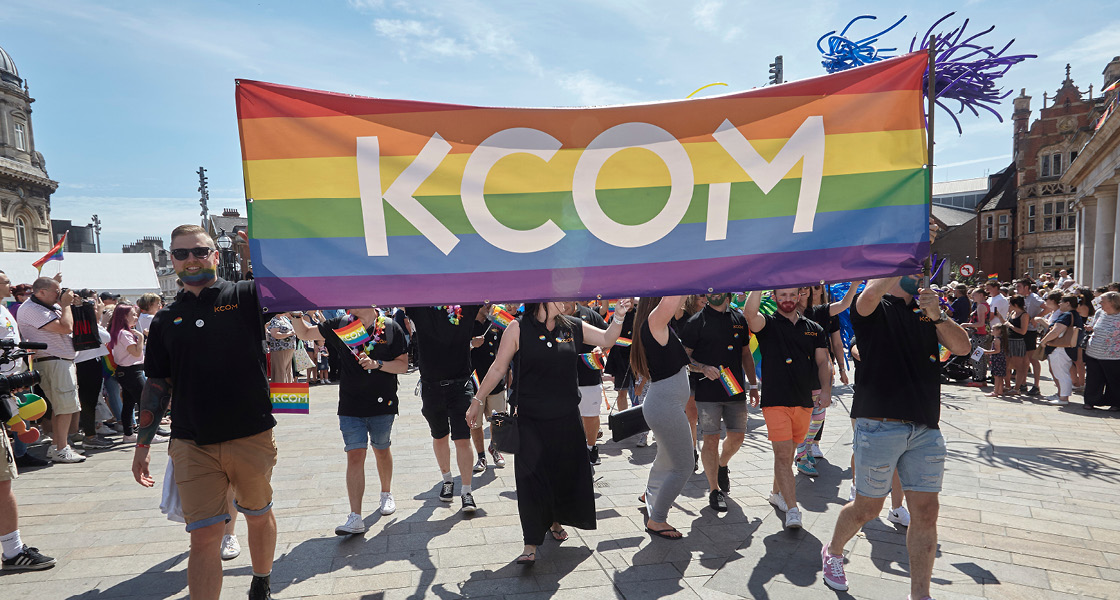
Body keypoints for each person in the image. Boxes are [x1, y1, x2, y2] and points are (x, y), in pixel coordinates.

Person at [131, 224, 277, 600]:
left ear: (215, 254)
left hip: (250, 432)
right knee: (204, 535)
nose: (190, 259)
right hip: (191, 441)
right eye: (181, 253)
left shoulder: (246, 295)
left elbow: (294, 285)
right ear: (172, 261)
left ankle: (261, 579)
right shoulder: (165, 319)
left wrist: (260, 245)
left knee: (257, 515)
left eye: (199, 251)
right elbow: (157, 385)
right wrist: (142, 447)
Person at [821, 274, 970, 596]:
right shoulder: (873, 306)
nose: (916, 274)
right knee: (867, 509)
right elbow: (870, 295)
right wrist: (897, 255)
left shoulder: (926, 310)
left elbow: (962, 346)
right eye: (909, 268)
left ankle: (920, 593)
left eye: (918, 269)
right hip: (879, 424)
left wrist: (939, 315)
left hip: (925, 427)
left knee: (927, 512)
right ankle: (833, 551)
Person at [468, 299, 629, 565]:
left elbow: (608, 338)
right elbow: (498, 367)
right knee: (531, 481)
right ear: (544, 298)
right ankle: (530, 543)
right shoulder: (517, 328)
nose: (569, 300)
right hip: (531, 421)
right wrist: (477, 400)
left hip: (566, 419)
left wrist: (620, 317)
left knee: (562, 474)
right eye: (562, 295)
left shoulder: (573, 326)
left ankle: (555, 521)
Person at [291, 306, 409, 534]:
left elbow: (403, 365)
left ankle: (386, 493)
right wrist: (296, 315)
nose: (346, 302)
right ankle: (355, 516)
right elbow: (305, 334)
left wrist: (378, 364)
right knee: (355, 455)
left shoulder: (390, 327)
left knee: (381, 449)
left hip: (382, 404)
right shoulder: (341, 323)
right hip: (350, 404)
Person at [743, 289, 831, 530]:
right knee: (783, 455)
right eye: (782, 295)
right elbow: (750, 316)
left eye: (792, 294)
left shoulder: (814, 328)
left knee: (789, 452)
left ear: (800, 295)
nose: (788, 299)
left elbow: (823, 362)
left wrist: (826, 390)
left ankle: (775, 493)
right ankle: (793, 509)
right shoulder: (768, 324)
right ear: (774, 297)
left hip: (804, 401)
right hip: (775, 401)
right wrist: (758, 286)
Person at [678, 292, 758, 512]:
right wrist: (703, 367)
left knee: (737, 438)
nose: (714, 295)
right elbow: (685, 357)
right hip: (707, 392)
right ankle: (714, 490)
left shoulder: (739, 319)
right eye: (709, 292)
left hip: (735, 390)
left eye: (719, 291)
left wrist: (753, 385)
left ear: (728, 293)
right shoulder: (695, 322)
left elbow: (745, 354)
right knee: (711, 440)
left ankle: (722, 465)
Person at [405, 304, 486, 513]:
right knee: (439, 435)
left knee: (462, 438)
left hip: (460, 385)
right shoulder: (419, 306)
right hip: (431, 386)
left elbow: (484, 292)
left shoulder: (464, 305)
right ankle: (447, 480)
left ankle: (467, 491)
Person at [630, 295, 691, 540]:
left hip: (665, 404)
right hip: (665, 406)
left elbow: (678, 298)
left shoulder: (655, 324)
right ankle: (658, 519)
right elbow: (673, 298)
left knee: (666, 458)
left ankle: (650, 494)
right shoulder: (654, 322)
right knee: (684, 466)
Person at [17, 276, 84, 464]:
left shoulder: (45, 305)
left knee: (61, 406)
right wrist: (66, 305)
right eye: (56, 291)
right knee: (65, 405)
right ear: (41, 292)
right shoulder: (31, 309)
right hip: (53, 361)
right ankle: (61, 448)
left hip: (59, 360)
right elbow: (65, 327)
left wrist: (69, 304)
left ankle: (58, 445)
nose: (59, 294)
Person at [109, 302, 167, 444]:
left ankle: (129, 434)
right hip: (131, 371)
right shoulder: (124, 333)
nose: (136, 317)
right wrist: (141, 338)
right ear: (124, 317)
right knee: (146, 403)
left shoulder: (121, 333)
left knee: (129, 404)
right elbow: (135, 353)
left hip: (127, 371)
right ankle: (147, 435)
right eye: (133, 315)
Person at [566, 301, 610, 465]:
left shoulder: (590, 315)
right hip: (561, 377)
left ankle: (591, 447)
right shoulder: (554, 316)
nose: (563, 305)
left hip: (588, 375)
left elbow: (609, 337)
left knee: (590, 415)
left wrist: (602, 348)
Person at [468, 310, 508, 471]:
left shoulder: (496, 323)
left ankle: (495, 448)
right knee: (475, 424)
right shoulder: (466, 324)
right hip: (474, 382)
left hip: (496, 382)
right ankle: (481, 456)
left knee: (498, 420)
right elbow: (453, 350)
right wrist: (471, 344)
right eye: (486, 303)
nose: (490, 306)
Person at [1038, 293, 1080, 406]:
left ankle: (1063, 398)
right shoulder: (1075, 314)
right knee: (1063, 372)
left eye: (1062, 302)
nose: (1060, 304)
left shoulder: (1066, 315)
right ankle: (1063, 395)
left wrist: (1044, 341)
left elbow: (1056, 331)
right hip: (1068, 348)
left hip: (1060, 348)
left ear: (1068, 303)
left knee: (1061, 373)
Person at [1084, 291, 1120, 410]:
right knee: (1093, 379)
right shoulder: (1099, 313)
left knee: (1113, 380)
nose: (1100, 303)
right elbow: (1094, 326)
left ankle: (1115, 403)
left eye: (1103, 301)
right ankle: (1090, 401)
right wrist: (1090, 328)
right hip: (1093, 352)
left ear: (1112, 302)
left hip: (1113, 356)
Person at [265, 312, 296, 384]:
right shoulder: (273, 320)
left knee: (288, 370)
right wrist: (289, 334)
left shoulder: (284, 318)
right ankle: (280, 389)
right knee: (280, 370)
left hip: (289, 348)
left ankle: (288, 387)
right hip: (279, 348)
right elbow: (275, 334)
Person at [984, 324, 1009, 397]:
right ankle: (1000, 390)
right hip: (1001, 359)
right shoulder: (1002, 339)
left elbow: (997, 351)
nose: (991, 331)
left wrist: (986, 351)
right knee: (1000, 376)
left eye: (993, 330)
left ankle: (995, 392)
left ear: (999, 331)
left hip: (997, 359)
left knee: (996, 376)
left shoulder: (996, 340)